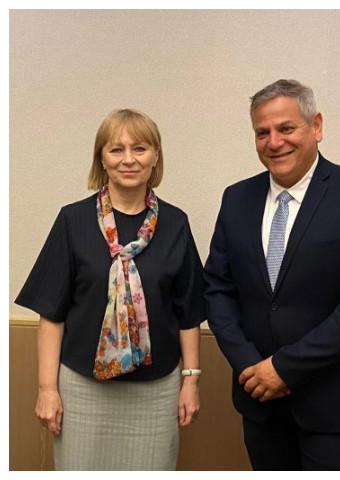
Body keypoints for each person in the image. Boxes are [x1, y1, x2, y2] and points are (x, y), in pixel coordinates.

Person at [204, 79, 340, 471]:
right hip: (259, 398)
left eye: (286, 128)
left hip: (336, 402)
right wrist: (249, 365)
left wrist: (285, 368)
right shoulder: (236, 198)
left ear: (316, 126)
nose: (274, 142)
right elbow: (217, 289)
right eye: (262, 132)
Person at [16, 108, 204, 470]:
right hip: (82, 390)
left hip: (157, 392)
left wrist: (191, 382)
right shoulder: (72, 220)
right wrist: (47, 389)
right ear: (101, 158)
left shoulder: (176, 223)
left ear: (155, 157)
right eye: (116, 149)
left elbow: (188, 313)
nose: (128, 159)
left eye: (140, 148)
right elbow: (52, 314)